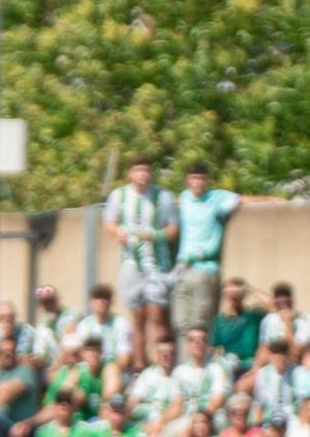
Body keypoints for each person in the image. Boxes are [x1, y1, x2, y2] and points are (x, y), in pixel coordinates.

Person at [103, 156, 178, 369]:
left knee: (157, 315)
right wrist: (118, 233)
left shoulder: (163, 197)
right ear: (130, 173)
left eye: (146, 170)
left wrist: (155, 235)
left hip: (157, 264)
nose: (142, 174)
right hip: (131, 263)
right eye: (138, 170)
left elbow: (173, 229)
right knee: (137, 316)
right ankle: (139, 365)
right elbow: (109, 222)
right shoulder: (119, 196)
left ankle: (163, 363)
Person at [171, 161, 241, 346]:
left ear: (207, 180)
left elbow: (238, 199)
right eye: (194, 178)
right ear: (187, 180)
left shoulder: (216, 197)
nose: (198, 182)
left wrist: (223, 212)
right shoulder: (184, 198)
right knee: (181, 325)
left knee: (200, 327)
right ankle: (183, 369)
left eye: (202, 178)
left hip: (205, 269)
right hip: (182, 269)